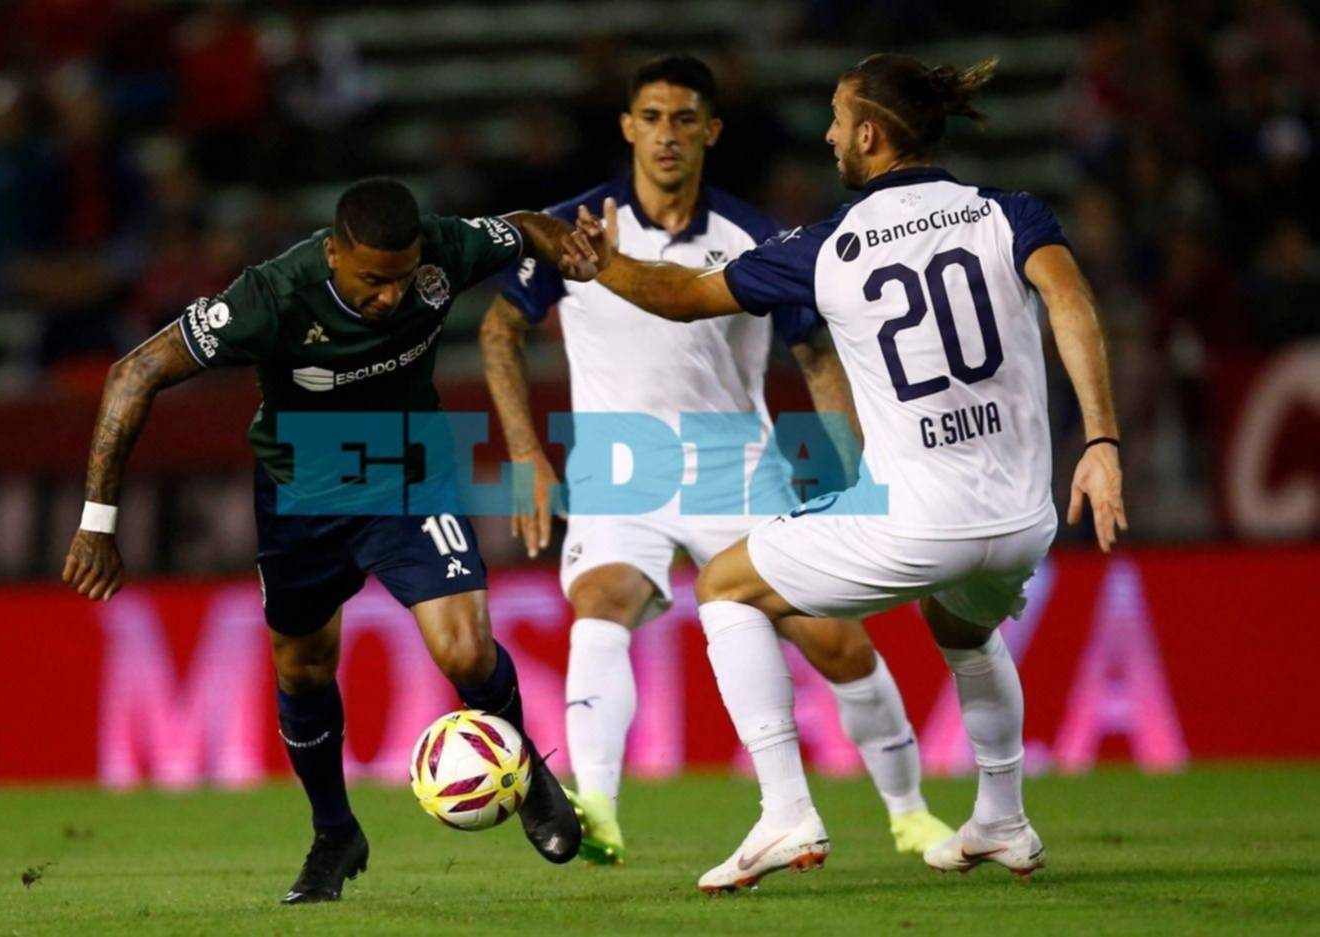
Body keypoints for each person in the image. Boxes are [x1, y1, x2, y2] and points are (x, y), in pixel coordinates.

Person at [563, 54, 1126, 891]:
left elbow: (680, 296)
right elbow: (1071, 301)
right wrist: (1102, 441)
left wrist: (604, 262)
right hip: (1020, 519)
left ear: (868, 135)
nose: (827, 136)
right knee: (964, 630)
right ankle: (1002, 818)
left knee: (724, 586)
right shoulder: (1008, 212)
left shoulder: (828, 248)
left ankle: (786, 811)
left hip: (918, 522)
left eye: (835, 118)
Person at [62, 178, 600, 902]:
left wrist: (566, 247)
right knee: (304, 669)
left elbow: (527, 224)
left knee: (466, 650)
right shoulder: (270, 296)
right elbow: (134, 373)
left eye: (403, 278)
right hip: (303, 495)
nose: (391, 297)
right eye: (373, 281)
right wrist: (97, 522)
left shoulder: (444, 251)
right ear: (334, 254)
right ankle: (334, 832)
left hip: (407, 472)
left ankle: (526, 772)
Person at [479, 55, 951, 866]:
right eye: (651, 118)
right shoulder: (573, 231)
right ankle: (596, 809)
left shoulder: (755, 236)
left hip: (737, 468)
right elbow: (498, 328)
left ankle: (910, 813)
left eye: (684, 119)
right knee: (601, 602)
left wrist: (856, 476)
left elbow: (817, 358)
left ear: (712, 131)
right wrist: (526, 454)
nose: (666, 135)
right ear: (627, 127)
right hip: (620, 470)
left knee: (836, 643)